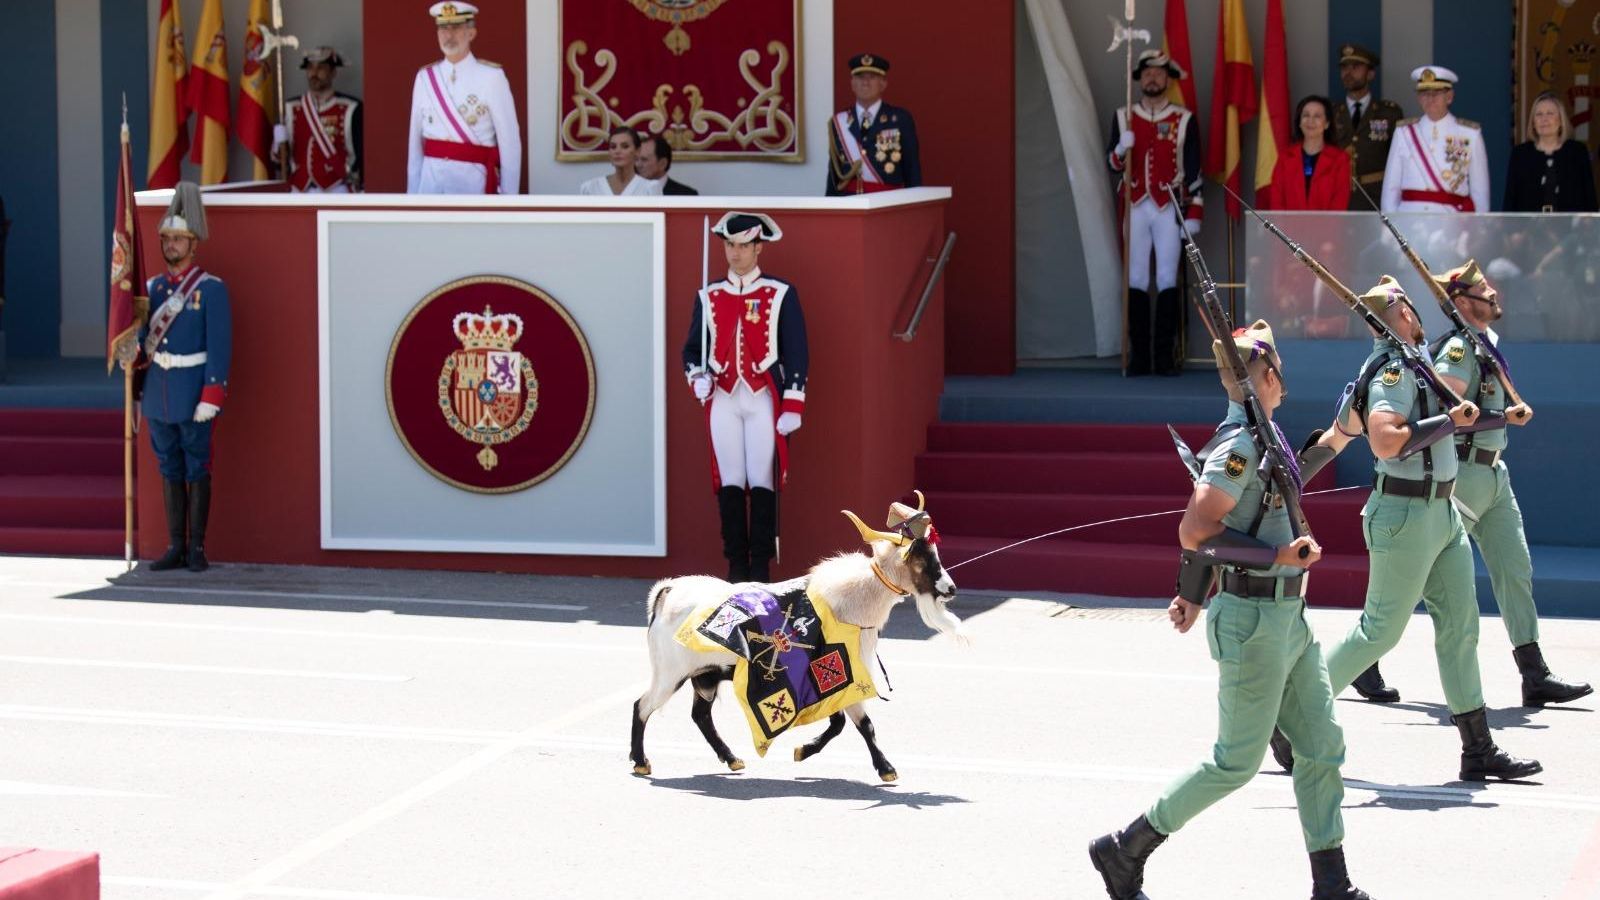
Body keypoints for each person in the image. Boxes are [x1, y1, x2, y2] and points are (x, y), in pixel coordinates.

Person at [1089, 321, 1372, 900]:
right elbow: (1195, 530)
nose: (1283, 378)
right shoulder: (1240, 445)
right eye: (1280, 369)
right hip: (1253, 623)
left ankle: (1332, 885)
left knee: (1321, 746)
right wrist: (1277, 554)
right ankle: (1126, 848)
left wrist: (1340, 437)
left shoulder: (1263, 434)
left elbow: (1270, 499)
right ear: (1268, 375)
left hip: (1290, 619)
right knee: (1236, 763)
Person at [1272, 277, 1541, 783]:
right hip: (1405, 515)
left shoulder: (1410, 366)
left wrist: (1293, 476)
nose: (1417, 314)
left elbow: (1336, 436)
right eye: (1408, 309)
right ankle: (1289, 714)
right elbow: (1384, 441)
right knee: (1379, 631)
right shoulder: (1393, 373)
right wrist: (1445, 423)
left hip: (1441, 513)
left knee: (1461, 628)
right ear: (1398, 316)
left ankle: (1478, 748)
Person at [1417, 262, 1590, 704]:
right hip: (1463, 475)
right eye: (1481, 289)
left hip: (1495, 473)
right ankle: (1367, 662)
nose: (1493, 293)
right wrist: (1502, 417)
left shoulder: (1486, 343)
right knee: (1413, 575)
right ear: (1460, 303)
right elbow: (1448, 418)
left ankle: (1534, 675)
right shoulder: (1458, 349)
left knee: (1515, 570)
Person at [681, 212, 808, 583]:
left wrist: (793, 403)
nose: (734, 254)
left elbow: (797, 351)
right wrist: (696, 377)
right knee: (731, 480)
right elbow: (692, 351)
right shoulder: (709, 296)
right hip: (723, 395)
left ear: (758, 247)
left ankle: (760, 569)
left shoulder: (779, 293)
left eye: (741, 246)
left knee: (761, 479)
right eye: (728, 245)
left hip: (763, 398)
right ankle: (736, 567)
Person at [128, 183, 231, 574]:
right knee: (168, 467)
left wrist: (212, 393)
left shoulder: (211, 290)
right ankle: (175, 545)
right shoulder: (151, 289)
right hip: (159, 393)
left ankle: (197, 547)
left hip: (193, 392)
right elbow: (142, 343)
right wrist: (130, 350)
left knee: (196, 466)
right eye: (166, 238)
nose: (171, 245)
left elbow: (220, 347)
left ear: (193, 244)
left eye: (179, 239)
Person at [1106, 48, 1203, 376]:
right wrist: (1121, 147)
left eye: (1159, 73)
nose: (1152, 78)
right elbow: (1112, 164)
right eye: (1147, 72)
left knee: (1165, 278)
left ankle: (1164, 355)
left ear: (1168, 79)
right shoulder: (1124, 117)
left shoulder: (1183, 119)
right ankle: (1139, 356)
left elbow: (1193, 170)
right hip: (1134, 206)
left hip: (1168, 207)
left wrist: (1194, 213)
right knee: (1134, 277)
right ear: (1140, 78)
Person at [407, 1, 521, 195]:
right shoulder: (425, 78)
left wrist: (509, 201)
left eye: (456, 27)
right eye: (443, 28)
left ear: (471, 33)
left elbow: (510, 144)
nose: (449, 35)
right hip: (431, 185)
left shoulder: (492, 77)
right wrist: (413, 195)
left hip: (473, 186)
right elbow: (415, 145)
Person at [1381, 66, 1489, 213]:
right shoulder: (1403, 132)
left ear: (1449, 96)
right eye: (1424, 93)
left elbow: (1480, 193)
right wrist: (1391, 229)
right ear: (1418, 98)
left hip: (1451, 222)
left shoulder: (1470, 134)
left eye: (1436, 93)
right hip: (1409, 222)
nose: (1430, 99)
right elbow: (1391, 188)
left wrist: (1477, 230)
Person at [826, 53, 921, 195]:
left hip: (887, 203)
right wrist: (830, 209)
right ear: (852, 83)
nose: (865, 82)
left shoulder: (900, 119)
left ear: (883, 83)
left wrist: (914, 207)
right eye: (860, 77)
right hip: (849, 204)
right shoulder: (839, 121)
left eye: (872, 77)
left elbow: (912, 169)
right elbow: (834, 174)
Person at [274, 46, 363, 193]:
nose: (314, 73)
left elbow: (361, 157)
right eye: (310, 68)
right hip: (299, 190)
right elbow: (279, 162)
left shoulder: (351, 108)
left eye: (321, 68)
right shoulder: (291, 108)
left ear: (333, 72)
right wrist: (278, 144)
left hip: (337, 190)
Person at [1331, 44, 1403, 212]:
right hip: (1338, 197)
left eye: (1355, 67)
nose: (1348, 73)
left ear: (1370, 74)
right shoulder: (1330, 112)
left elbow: (1400, 160)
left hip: (1376, 198)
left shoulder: (1389, 112)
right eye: (1344, 68)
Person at [1503, 91, 1598, 212]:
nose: (1544, 119)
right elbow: (1510, 202)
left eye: (1550, 113)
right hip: (1529, 229)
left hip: (1570, 229)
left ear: (1560, 120)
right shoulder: (1520, 154)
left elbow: (1589, 200)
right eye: (1539, 114)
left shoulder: (1577, 152)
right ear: (1533, 123)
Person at [1260, 95, 1351, 210]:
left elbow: (1339, 204)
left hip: (1326, 227)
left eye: (1317, 116)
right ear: (1299, 122)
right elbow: (1277, 202)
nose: (1310, 121)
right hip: (1288, 227)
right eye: (1306, 115)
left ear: (1327, 124)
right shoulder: (1285, 158)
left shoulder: (1340, 159)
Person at [579, 127, 664, 196]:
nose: (617, 151)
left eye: (625, 146)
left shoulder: (650, 188)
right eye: (613, 147)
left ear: (637, 151)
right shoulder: (590, 187)